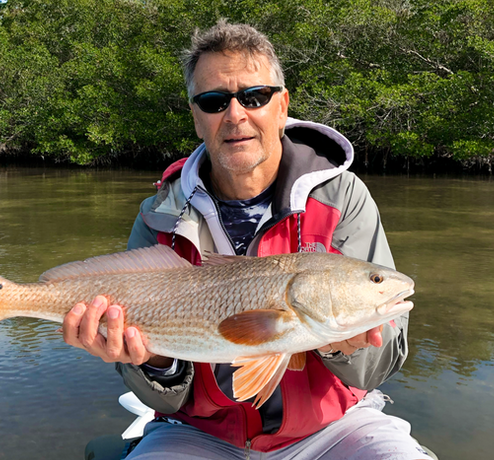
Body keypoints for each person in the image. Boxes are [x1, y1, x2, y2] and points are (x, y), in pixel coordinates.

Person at [64, 20, 435, 460]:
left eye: (255, 97)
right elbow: (164, 401)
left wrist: (342, 346)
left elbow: (377, 367)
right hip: (195, 433)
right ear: (196, 116)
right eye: (215, 101)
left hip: (336, 426)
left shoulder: (343, 198)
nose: (236, 115)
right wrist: (152, 362)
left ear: (282, 106)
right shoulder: (160, 214)